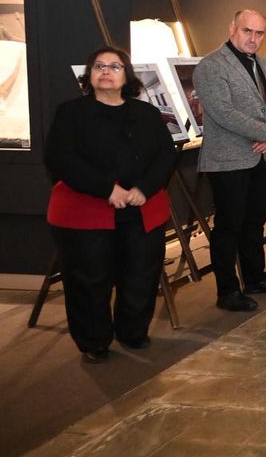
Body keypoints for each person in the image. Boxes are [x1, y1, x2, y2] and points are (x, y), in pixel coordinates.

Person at [45, 47, 178, 362]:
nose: (106, 71)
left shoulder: (146, 113)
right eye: (99, 66)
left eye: (115, 66)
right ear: (89, 75)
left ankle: (133, 332)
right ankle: (94, 341)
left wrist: (145, 188)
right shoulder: (70, 112)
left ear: (126, 76)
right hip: (87, 210)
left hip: (141, 208)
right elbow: (59, 158)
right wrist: (107, 189)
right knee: (89, 280)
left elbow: (166, 154)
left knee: (141, 276)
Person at [194, 9, 266, 312]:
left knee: (254, 221)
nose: (253, 38)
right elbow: (222, 112)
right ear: (232, 28)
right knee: (228, 227)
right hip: (228, 161)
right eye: (247, 31)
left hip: (262, 156)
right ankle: (227, 291)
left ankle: (255, 278)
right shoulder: (211, 66)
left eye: (259, 33)